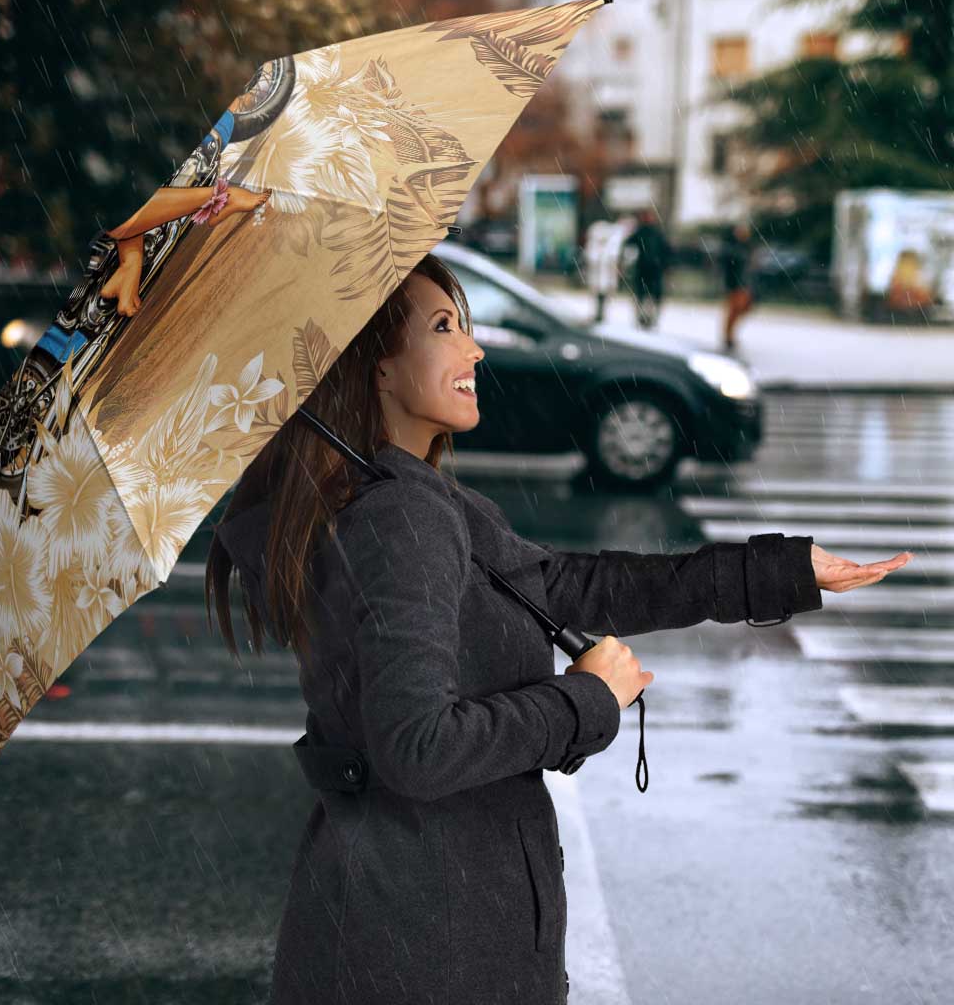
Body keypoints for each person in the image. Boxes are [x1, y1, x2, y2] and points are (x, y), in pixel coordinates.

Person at [207, 252, 908, 1005]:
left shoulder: (407, 499)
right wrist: (585, 700)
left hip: (410, 922)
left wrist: (780, 571)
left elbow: (571, 586)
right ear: (375, 366)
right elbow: (417, 748)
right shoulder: (400, 517)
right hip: (429, 943)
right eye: (444, 327)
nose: (474, 349)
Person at [622, 207, 672, 330]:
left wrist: (665, 265)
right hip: (645, 269)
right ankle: (643, 318)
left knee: (650, 296)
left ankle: (649, 318)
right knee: (643, 295)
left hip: (653, 269)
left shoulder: (655, 233)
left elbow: (666, 251)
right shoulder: (642, 232)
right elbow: (628, 245)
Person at [720, 220, 756, 352]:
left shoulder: (747, 247)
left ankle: (730, 335)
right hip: (735, 284)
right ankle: (728, 336)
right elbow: (729, 267)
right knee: (734, 310)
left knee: (742, 309)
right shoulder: (732, 248)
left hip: (744, 284)